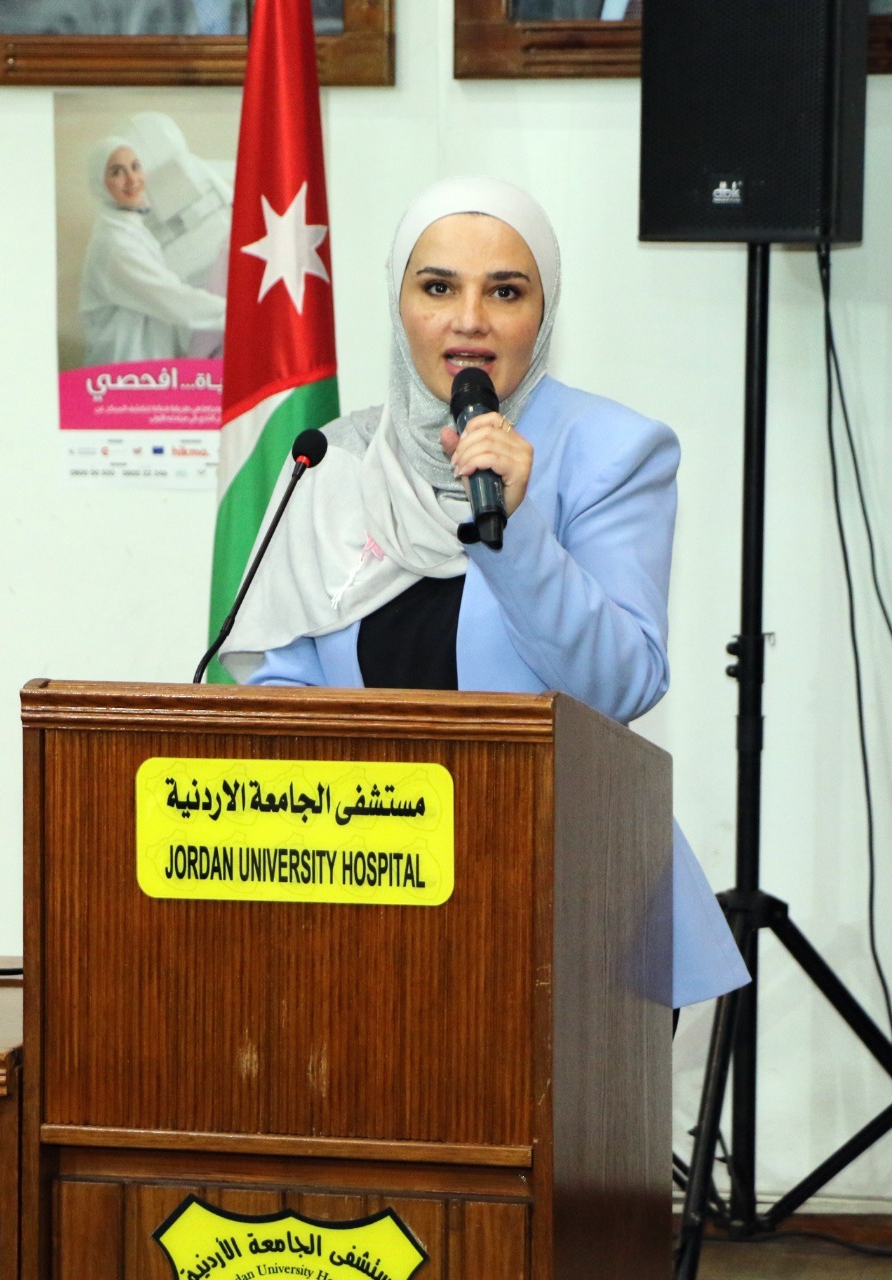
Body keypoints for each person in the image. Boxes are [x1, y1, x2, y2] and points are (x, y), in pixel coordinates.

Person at [219, 175, 749, 1010]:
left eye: (505, 291)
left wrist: (516, 524)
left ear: (543, 310)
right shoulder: (335, 460)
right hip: (372, 907)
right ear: (399, 305)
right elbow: (286, 683)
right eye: (438, 288)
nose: (469, 320)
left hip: (570, 912)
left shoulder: (612, 450)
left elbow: (619, 685)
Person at [79, 135, 227, 367]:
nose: (132, 179)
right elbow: (170, 297)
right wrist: (239, 315)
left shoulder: (129, 225)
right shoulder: (113, 244)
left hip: (144, 366)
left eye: (135, 167)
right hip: (122, 366)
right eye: (117, 172)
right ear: (100, 183)